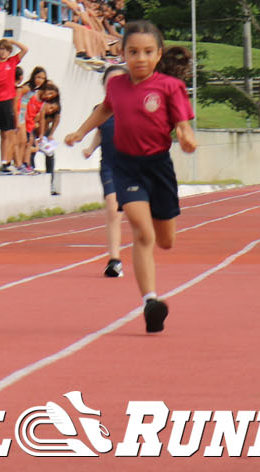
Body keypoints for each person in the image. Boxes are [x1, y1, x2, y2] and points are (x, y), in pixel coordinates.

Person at [64, 21, 197, 334]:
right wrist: (80, 132)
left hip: (158, 167)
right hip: (126, 166)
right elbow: (105, 110)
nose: (140, 58)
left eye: (147, 52)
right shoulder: (117, 86)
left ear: (158, 54)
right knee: (142, 231)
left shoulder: (170, 87)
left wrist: (187, 136)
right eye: (133, 51)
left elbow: (183, 125)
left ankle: (151, 276)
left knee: (165, 241)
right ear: (122, 54)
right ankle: (150, 301)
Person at [76, 65, 128, 274]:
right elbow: (100, 131)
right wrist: (90, 147)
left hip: (134, 166)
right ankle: (114, 260)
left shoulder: (136, 107)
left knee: (138, 215)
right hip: (109, 166)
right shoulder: (100, 109)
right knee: (113, 210)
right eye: (110, 81)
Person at [0, 36, 28, 175]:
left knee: (5, 134)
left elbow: (25, 49)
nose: (3, 52)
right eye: (1, 49)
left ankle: (4, 163)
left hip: (7, 102)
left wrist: (12, 41)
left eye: (6, 50)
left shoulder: (12, 62)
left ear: (9, 52)